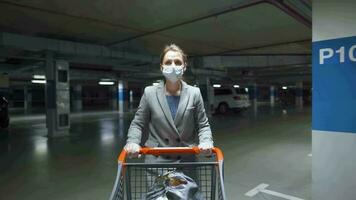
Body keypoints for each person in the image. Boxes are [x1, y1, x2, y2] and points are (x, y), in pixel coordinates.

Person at [124, 44, 214, 163]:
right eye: (168, 62)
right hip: (156, 159)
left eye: (177, 62)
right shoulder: (149, 93)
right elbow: (137, 124)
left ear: (184, 66)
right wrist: (133, 142)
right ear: (162, 67)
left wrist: (206, 141)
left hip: (186, 159)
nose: (173, 66)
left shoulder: (194, 93)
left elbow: (203, 125)